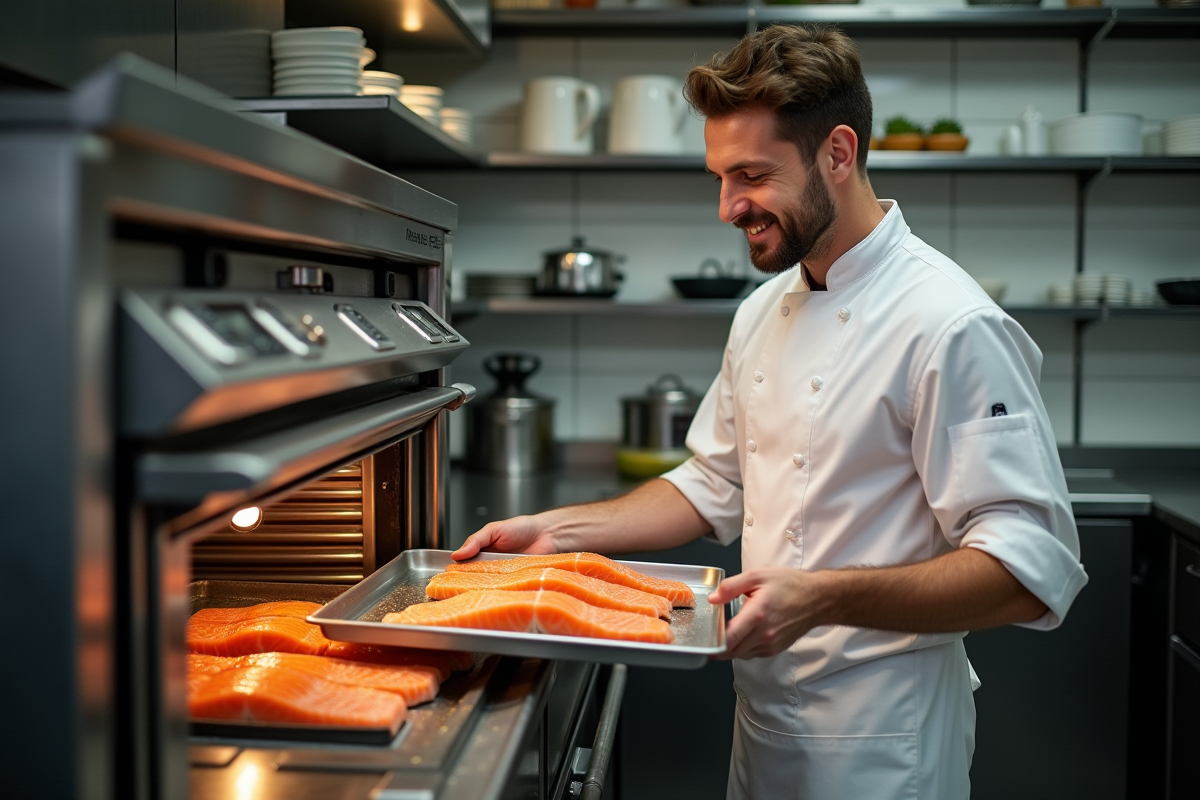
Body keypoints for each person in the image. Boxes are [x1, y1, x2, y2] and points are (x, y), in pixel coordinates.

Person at [454, 24, 1088, 799]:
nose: (728, 207)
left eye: (752, 175)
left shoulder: (949, 322)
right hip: (762, 722)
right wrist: (560, 534)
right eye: (720, 177)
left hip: (886, 739)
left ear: (839, 153)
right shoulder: (761, 310)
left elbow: (1030, 568)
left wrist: (819, 595)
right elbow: (712, 482)